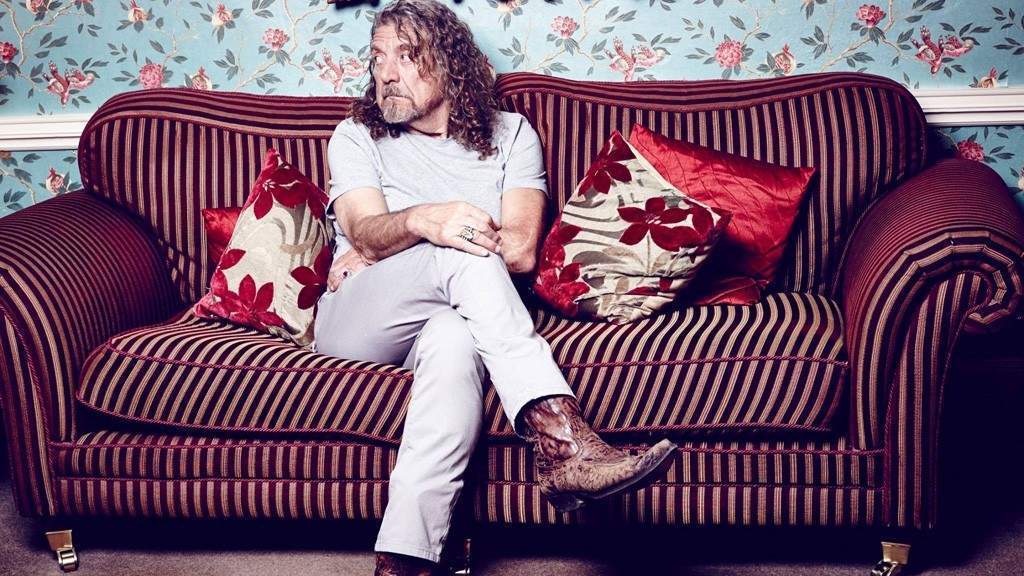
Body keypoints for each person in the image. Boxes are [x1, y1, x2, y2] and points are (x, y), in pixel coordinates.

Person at [312, 1, 677, 574]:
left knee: (456, 339)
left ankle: (406, 559)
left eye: (406, 56)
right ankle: (562, 444)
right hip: (362, 316)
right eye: (378, 57)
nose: (386, 73)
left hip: (453, 316)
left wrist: (424, 233)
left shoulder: (511, 135)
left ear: (450, 62)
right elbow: (365, 233)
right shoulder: (356, 134)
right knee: (461, 253)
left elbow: (522, 250)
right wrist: (424, 222)